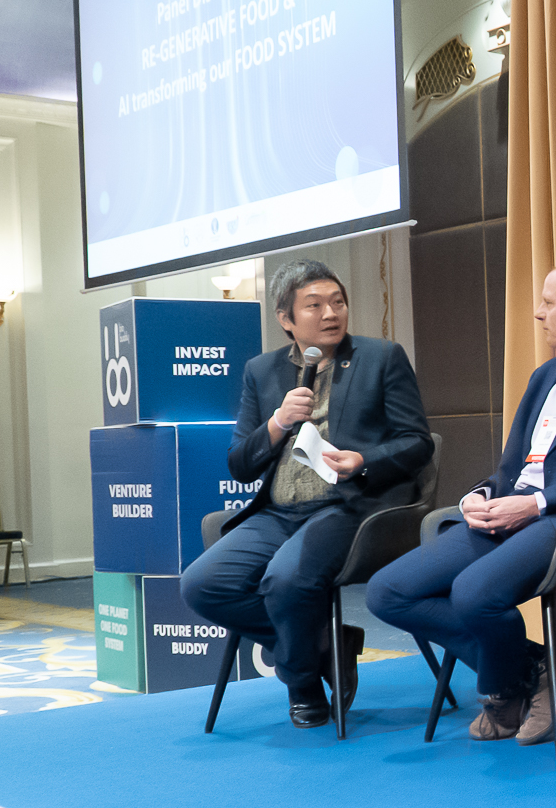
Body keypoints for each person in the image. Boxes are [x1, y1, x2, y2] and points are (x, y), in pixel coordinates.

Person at [365, 262, 556, 745]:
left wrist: (538, 504)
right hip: (515, 510)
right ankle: (536, 669)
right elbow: (511, 468)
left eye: (548, 302)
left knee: (473, 593)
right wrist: (481, 495)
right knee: (388, 591)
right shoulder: (544, 376)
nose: (538, 313)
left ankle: (503, 689)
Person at [181, 260, 434, 728]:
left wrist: (363, 460)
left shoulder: (381, 357)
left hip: (348, 507)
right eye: (314, 306)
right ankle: (325, 645)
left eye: (337, 302)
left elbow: (417, 442)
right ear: (286, 319)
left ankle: (303, 685)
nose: (331, 313)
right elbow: (240, 464)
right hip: (278, 512)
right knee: (202, 584)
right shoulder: (262, 371)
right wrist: (278, 422)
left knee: (285, 581)